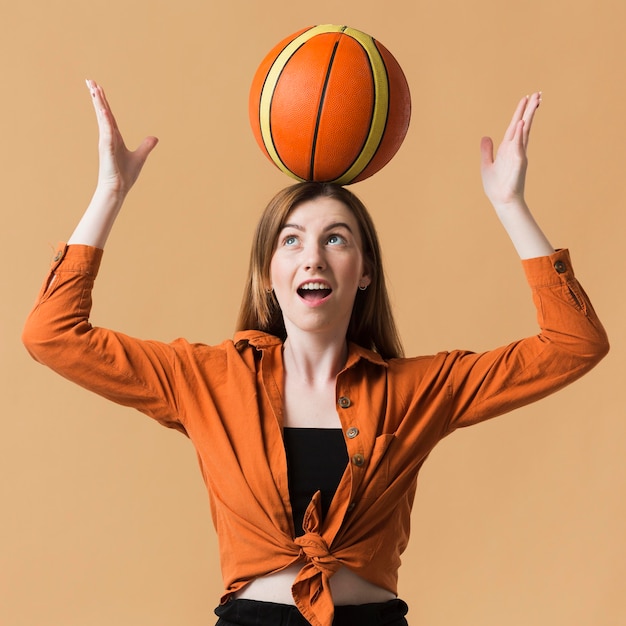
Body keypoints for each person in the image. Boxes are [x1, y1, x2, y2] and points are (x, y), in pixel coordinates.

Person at [23, 81, 609, 626]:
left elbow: (573, 344)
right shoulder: (204, 379)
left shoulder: (418, 390)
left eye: (336, 238)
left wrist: (510, 204)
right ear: (269, 273)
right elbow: (52, 333)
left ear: (365, 273)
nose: (313, 258)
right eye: (292, 240)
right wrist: (110, 192)